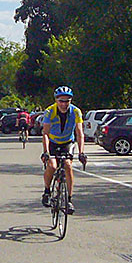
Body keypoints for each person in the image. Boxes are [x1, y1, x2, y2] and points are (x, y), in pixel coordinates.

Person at [41, 86, 87, 214]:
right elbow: (45, 133)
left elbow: (79, 133)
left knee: (68, 165)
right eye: (61, 101)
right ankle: (47, 191)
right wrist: (46, 151)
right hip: (53, 142)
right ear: (56, 100)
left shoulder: (76, 112)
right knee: (52, 165)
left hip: (67, 142)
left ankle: (69, 199)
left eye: (67, 101)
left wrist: (81, 152)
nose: (64, 104)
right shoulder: (50, 111)